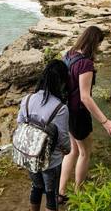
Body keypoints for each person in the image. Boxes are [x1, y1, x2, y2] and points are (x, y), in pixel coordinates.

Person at [58, 26, 111, 204]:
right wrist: (105, 121)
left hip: (66, 110)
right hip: (78, 113)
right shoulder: (85, 63)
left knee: (72, 151)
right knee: (85, 153)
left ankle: (61, 192)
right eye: (99, 44)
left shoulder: (69, 54)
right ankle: (79, 193)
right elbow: (85, 97)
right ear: (95, 43)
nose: (100, 48)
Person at [17, 60, 72, 211]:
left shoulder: (27, 99)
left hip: (29, 154)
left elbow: (20, 123)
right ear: (61, 81)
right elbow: (63, 139)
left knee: (36, 187)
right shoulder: (60, 108)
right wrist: (67, 151)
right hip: (51, 160)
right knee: (51, 194)